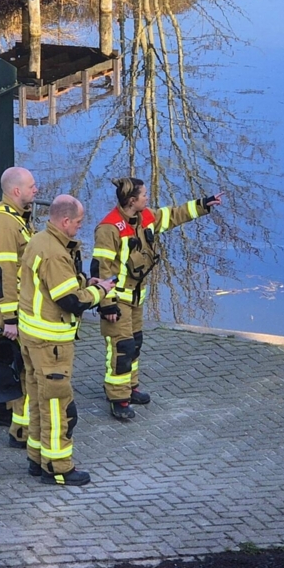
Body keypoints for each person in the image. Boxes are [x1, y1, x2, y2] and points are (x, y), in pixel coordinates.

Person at [91, 177, 223, 420]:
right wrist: (106, 304)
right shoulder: (109, 228)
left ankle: (130, 387)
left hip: (136, 296)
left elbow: (173, 215)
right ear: (132, 201)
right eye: (144, 195)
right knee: (122, 347)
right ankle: (117, 398)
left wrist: (204, 204)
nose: (147, 198)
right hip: (117, 300)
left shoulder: (146, 217)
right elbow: (100, 269)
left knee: (135, 343)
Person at [18, 195, 114, 486]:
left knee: (38, 399)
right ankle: (58, 468)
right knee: (59, 407)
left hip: (32, 337)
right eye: (78, 222)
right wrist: (101, 293)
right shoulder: (56, 253)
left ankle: (37, 459)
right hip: (51, 343)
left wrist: (87, 283)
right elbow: (69, 300)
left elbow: (56, 286)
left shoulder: (39, 240)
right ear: (65, 221)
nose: (80, 227)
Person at [0, 167, 38, 447]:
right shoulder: (4, 224)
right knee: (21, 367)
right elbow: (4, 274)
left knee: (7, 359)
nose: (35, 190)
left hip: (13, 304)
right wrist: (11, 318)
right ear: (16, 191)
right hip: (10, 307)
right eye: (31, 186)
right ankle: (19, 430)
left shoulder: (15, 217)